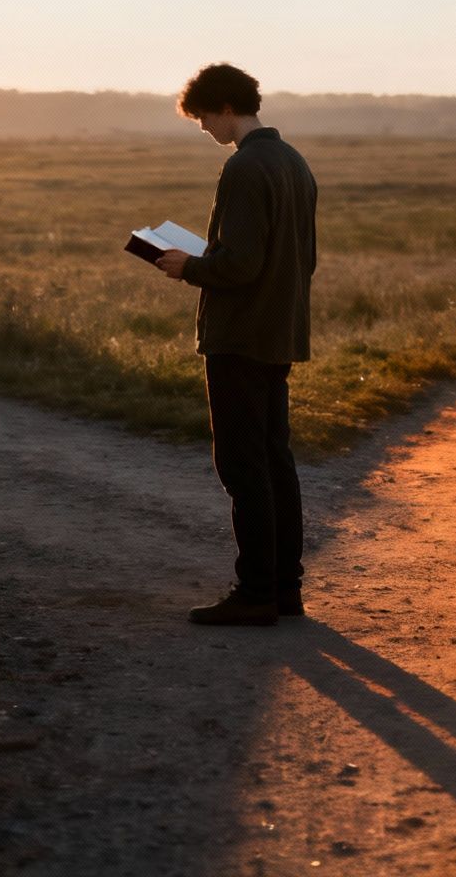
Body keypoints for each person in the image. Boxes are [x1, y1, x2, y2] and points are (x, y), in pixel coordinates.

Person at [152, 63, 317, 626]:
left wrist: (187, 266)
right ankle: (284, 589)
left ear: (225, 107)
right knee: (275, 461)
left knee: (244, 467)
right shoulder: (293, 160)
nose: (203, 128)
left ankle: (255, 594)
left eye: (203, 117)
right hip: (279, 330)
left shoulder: (244, 167)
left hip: (240, 335)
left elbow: (242, 263)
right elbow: (301, 259)